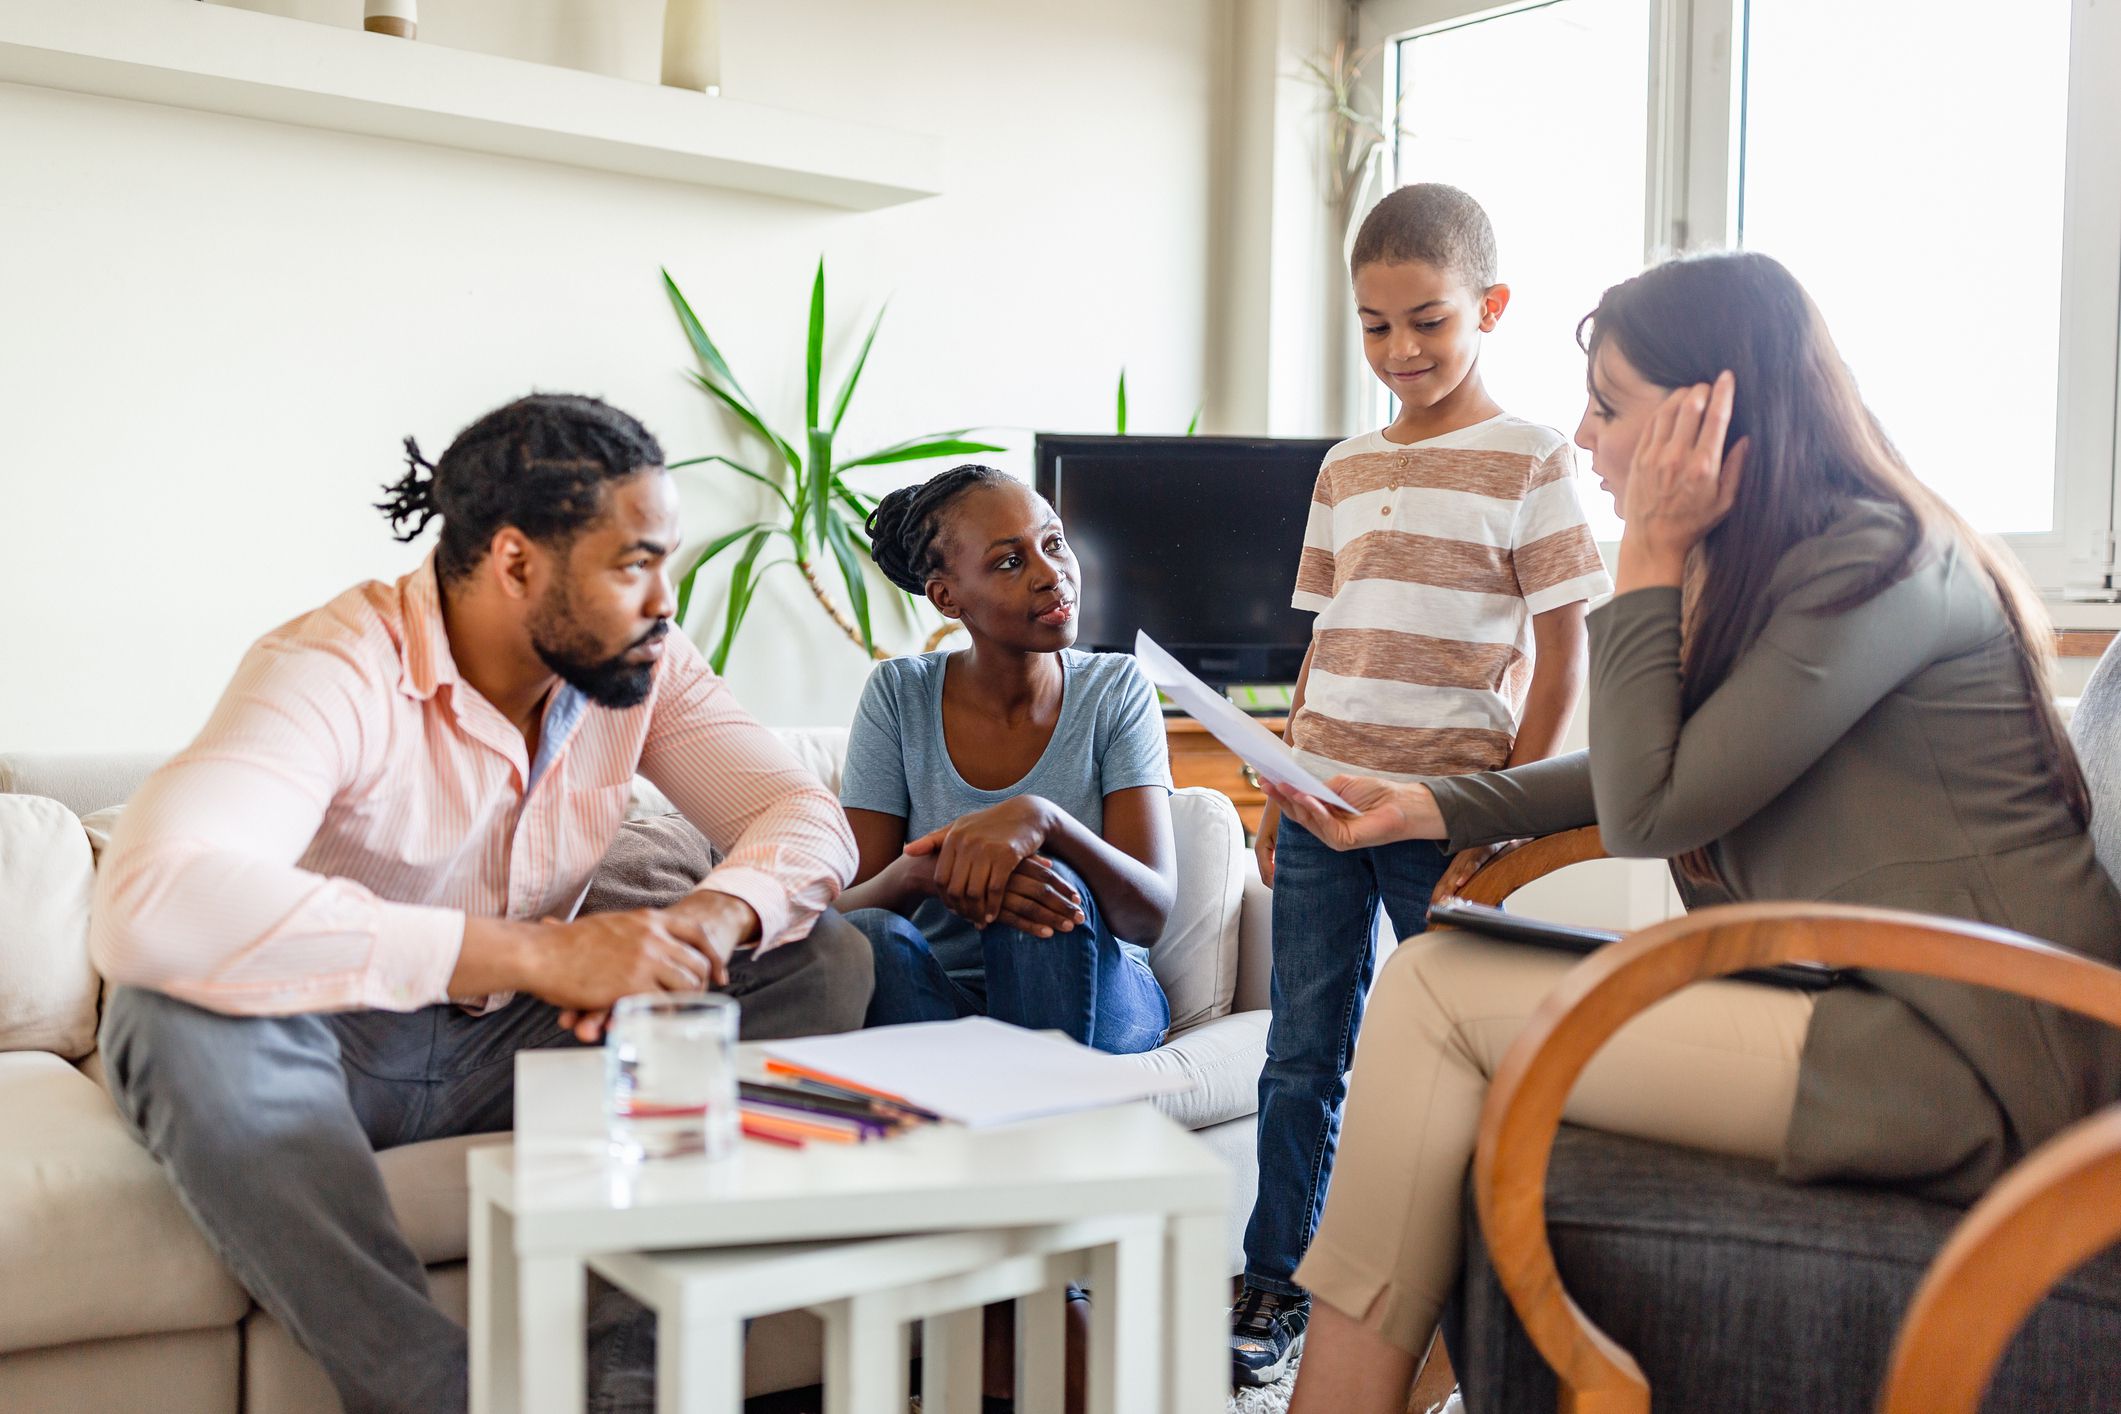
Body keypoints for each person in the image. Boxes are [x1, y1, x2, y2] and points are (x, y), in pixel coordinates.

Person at [1265, 251, 2121, 1414]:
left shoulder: (1880, 564)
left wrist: (1651, 556)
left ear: (1713, 408)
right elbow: (1659, 764)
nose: (1584, 434)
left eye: (1610, 406)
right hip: (1880, 1010)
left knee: (1433, 993)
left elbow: (1650, 805)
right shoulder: (1811, 562)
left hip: (1981, 1053)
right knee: (1438, 982)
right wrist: (1434, 805)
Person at [90, 394, 869, 1414]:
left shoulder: (640, 664)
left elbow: (801, 813)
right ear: (516, 563)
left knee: (826, 955)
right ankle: (432, 1395)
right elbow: (149, 898)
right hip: (331, 1043)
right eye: (634, 563)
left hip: (521, 1049)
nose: (667, 600)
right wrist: (533, 955)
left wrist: (704, 922)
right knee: (165, 1014)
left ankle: (628, 1362)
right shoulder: (335, 666)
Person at [1232, 183, 1611, 1387]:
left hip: (1444, 812)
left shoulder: (1532, 455)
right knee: (1301, 1052)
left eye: (1430, 322)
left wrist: (1505, 800)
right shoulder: (1344, 467)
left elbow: (1565, 648)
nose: (1402, 351)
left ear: (1490, 307)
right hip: (1325, 806)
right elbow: (1326, 641)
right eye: (1375, 327)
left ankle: (1466, 1298)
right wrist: (1280, 790)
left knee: (1465, 1051)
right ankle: (1277, 1272)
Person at [835, 464, 1176, 1056]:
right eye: (1010, 562)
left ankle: (1028, 1115)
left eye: (1054, 544)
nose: (1053, 576)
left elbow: (1149, 916)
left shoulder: (1116, 688)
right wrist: (922, 874)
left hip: (1102, 995)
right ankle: (970, 1114)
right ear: (947, 597)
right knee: (868, 935)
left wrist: (1044, 822)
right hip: (945, 1002)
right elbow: (844, 909)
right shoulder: (898, 695)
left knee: (1045, 885)